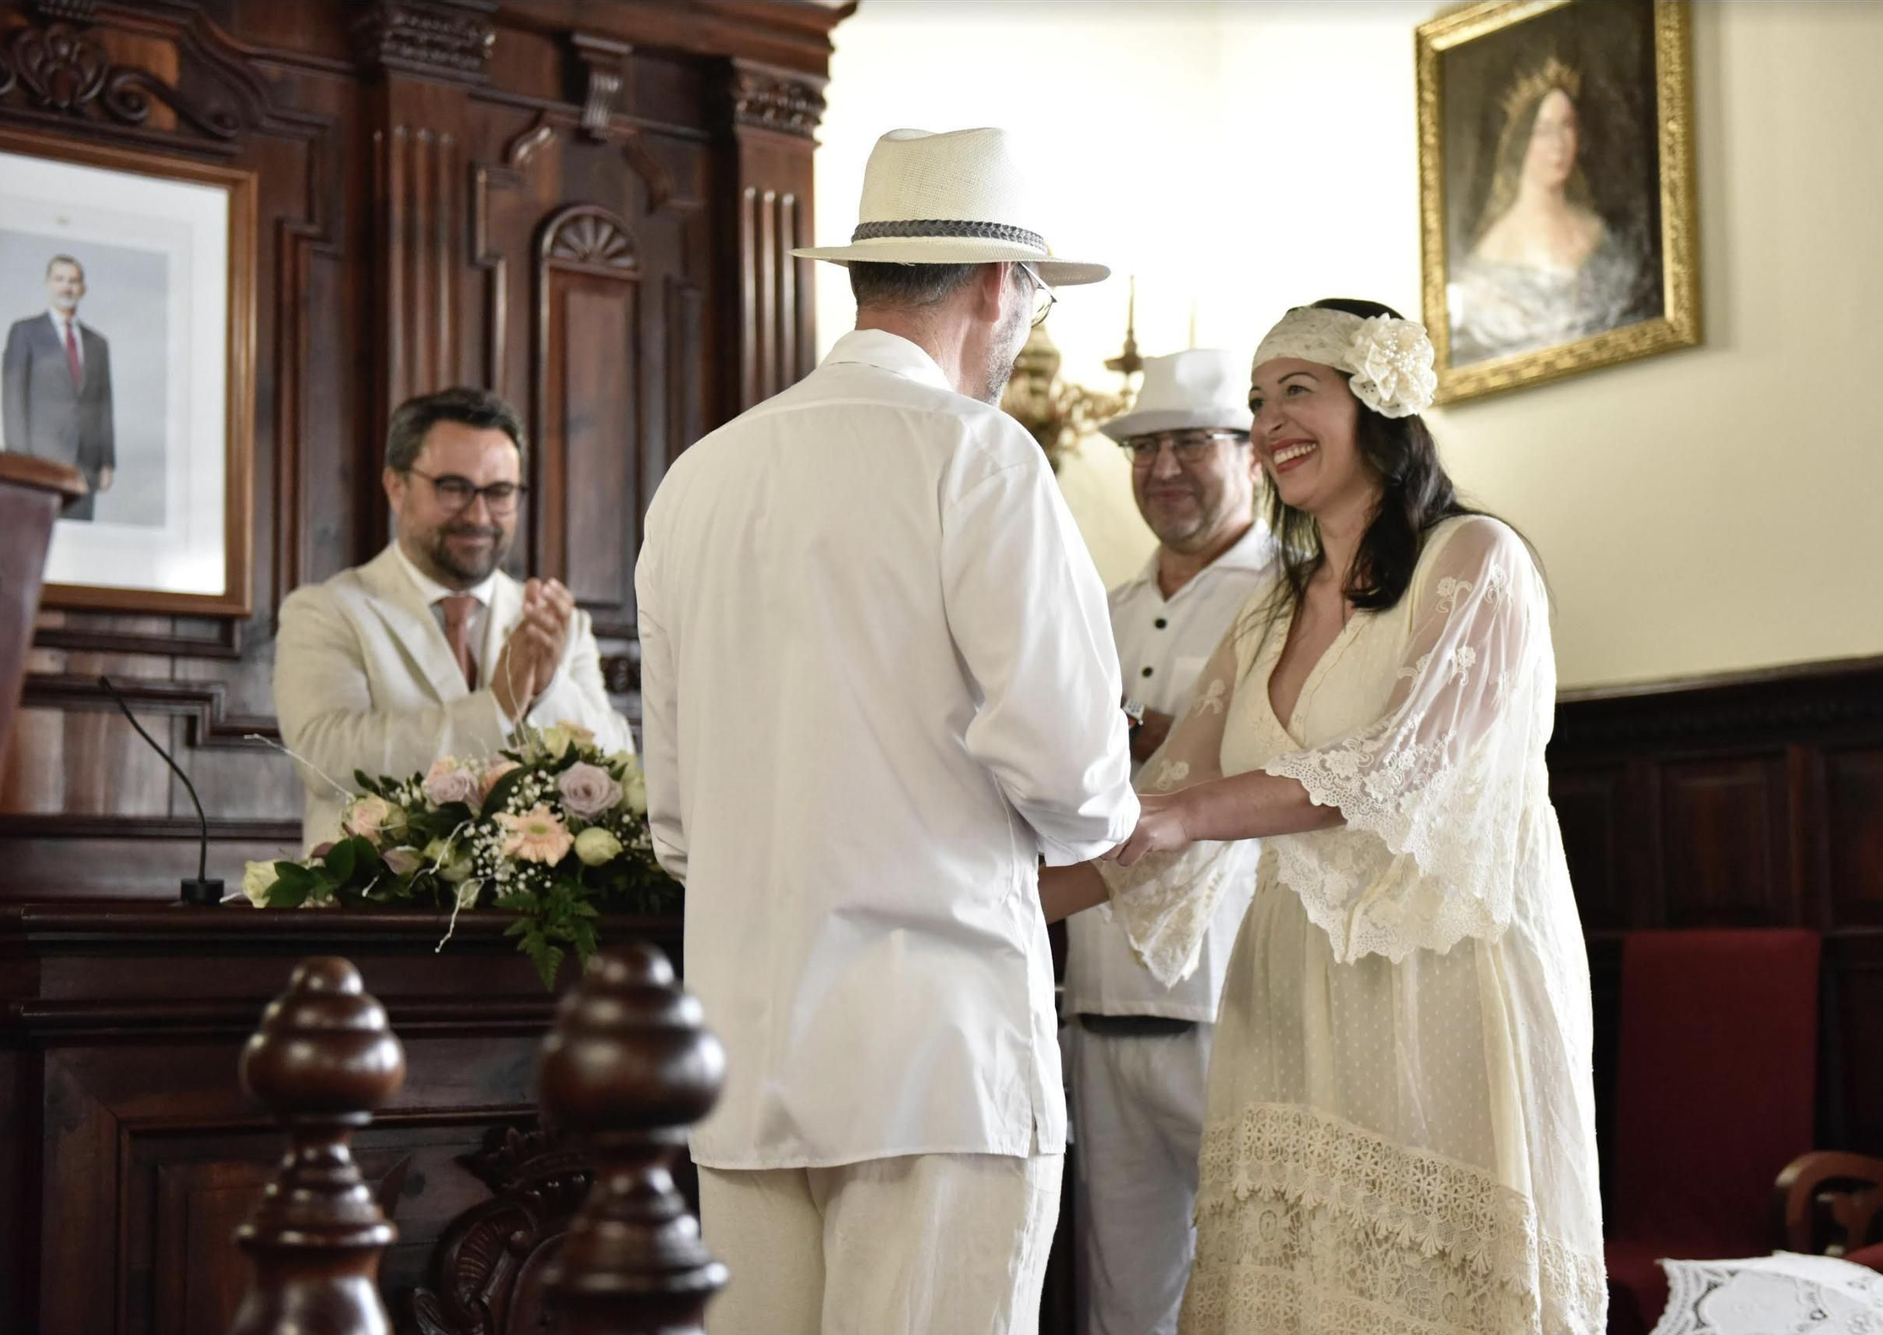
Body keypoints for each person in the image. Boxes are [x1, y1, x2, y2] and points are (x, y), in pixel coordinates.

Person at [635, 127, 1139, 1335]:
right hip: (938, 1057)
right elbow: (1074, 781)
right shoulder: (980, 460)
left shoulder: (699, 476)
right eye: (1029, 293)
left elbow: (675, 825)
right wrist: (1121, 809)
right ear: (993, 285)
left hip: (744, 1058)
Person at [1044, 300, 1605, 1333]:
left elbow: (1394, 768)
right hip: (1287, 984)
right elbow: (1156, 793)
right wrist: (991, 898)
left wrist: (1184, 816)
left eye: (1295, 390)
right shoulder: (1270, 608)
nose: (1268, 423)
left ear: (1379, 399)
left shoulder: (1474, 561)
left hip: (1439, 976)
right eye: (1257, 402)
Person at [1067, 348, 1273, 1335]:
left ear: (1249, 454)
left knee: (1257, 1277)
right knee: (1122, 1293)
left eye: (1190, 442)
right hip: (1098, 992)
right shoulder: (1090, 612)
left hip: (1233, 998)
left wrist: (1156, 745)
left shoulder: (1289, 596)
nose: (1163, 469)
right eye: (1144, 448)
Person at [273, 387, 633, 852]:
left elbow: (619, 769)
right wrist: (498, 707)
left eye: (500, 492)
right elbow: (328, 756)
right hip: (370, 915)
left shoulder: (556, 622)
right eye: (454, 488)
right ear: (396, 487)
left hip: (526, 918)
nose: (479, 515)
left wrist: (546, 690)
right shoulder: (325, 610)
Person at [1449, 57, 1658, 366]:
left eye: (1567, 126)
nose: (1559, 145)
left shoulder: (1601, 232)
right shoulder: (1488, 259)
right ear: (1520, 143)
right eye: (1543, 131)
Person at [1, 254, 114, 521]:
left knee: (80, 544)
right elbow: (12, 403)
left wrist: (107, 461)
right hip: (39, 463)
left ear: (83, 289)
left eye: (73, 281)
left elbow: (105, 404)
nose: (67, 287)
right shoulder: (24, 332)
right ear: (48, 284)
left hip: (85, 467)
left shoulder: (98, 343)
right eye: (60, 279)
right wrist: (18, 462)